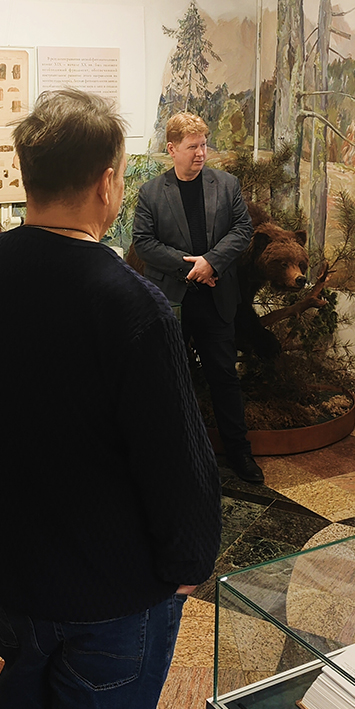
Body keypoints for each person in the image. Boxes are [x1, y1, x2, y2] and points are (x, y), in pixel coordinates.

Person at [0, 89, 221, 709]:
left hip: (9, 571)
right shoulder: (131, 303)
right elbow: (176, 463)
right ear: (107, 183)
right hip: (112, 590)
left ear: (26, 176)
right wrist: (189, 565)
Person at [132, 112, 261, 483]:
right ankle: (173, 456)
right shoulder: (151, 192)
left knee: (224, 376)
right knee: (170, 379)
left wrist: (211, 262)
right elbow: (143, 242)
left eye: (204, 144)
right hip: (172, 300)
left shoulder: (227, 184)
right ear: (172, 149)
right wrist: (189, 266)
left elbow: (243, 229)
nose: (201, 153)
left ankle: (239, 452)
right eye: (192, 147)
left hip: (216, 296)